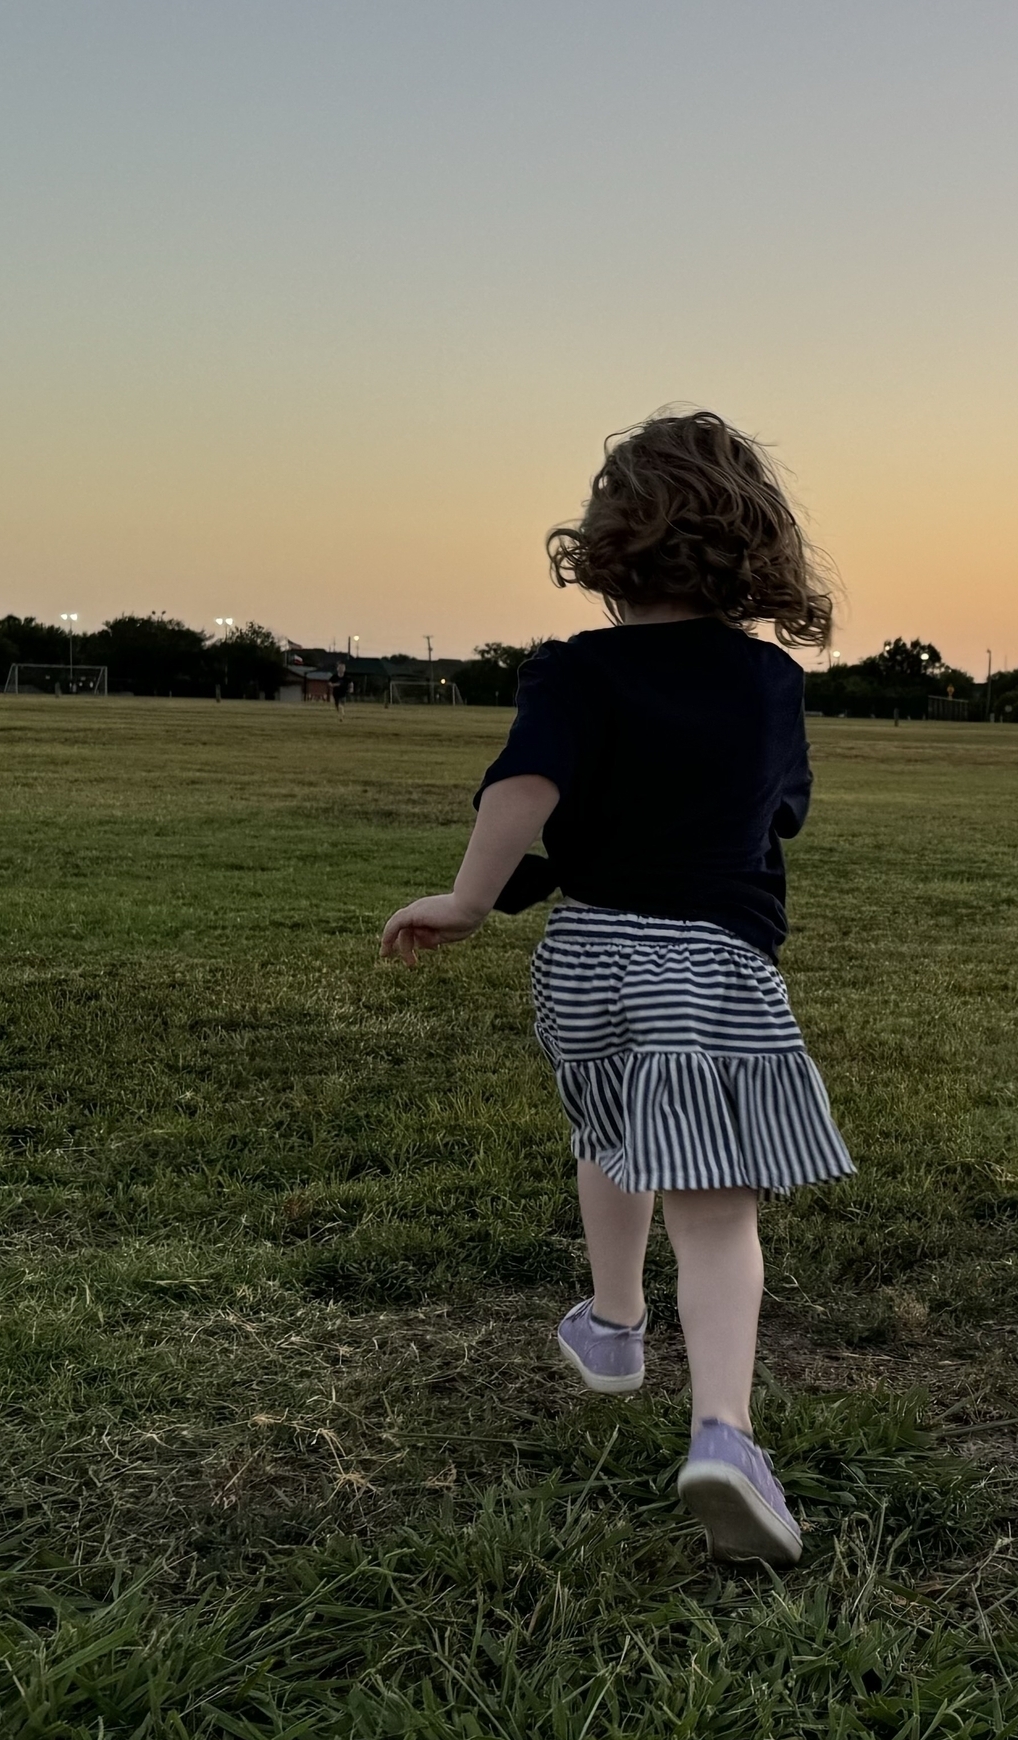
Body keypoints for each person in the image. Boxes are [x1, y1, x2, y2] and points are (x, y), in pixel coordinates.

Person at [380, 411, 854, 1567]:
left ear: (604, 545)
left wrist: (470, 900)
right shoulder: (765, 682)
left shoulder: (573, 668)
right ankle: (725, 1435)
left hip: (584, 955)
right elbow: (777, 813)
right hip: (706, 961)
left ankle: (614, 1325)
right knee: (717, 1206)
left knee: (615, 1122)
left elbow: (525, 785)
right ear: (755, 548)